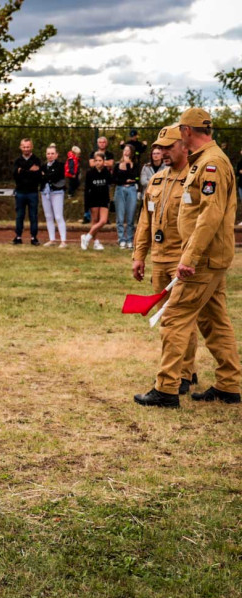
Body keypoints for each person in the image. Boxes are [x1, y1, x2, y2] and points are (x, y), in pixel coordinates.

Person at [134, 108, 241, 407]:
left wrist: (189, 257)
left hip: (203, 259)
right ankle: (229, 384)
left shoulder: (211, 164)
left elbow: (211, 215)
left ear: (187, 132)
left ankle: (167, 387)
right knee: (214, 320)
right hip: (207, 257)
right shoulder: (204, 161)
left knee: (174, 316)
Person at [131, 125, 199, 396]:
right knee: (168, 317)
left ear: (184, 146)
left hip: (182, 259)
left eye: (168, 147)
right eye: (159, 148)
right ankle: (181, 369)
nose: (162, 152)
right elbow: (144, 222)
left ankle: (183, 372)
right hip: (159, 259)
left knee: (179, 317)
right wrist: (139, 255)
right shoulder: (156, 180)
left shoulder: (194, 179)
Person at [12, 138, 42, 245]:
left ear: (31, 147)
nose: (26, 149)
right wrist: (30, 171)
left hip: (33, 192)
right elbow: (15, 175)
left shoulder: (37, 160)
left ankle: (34, 238)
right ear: (20, 147)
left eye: (28, 146)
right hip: (20, 192)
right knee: (20, 215)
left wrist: (22, 171)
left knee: (33, 215)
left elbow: (37, 176)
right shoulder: (17, 161)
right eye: (24, 147)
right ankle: (18, 237)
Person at [81, 151, 111, 251]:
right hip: (93, 200)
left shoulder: (106, 172)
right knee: (94, 221)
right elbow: (86, 189)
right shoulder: (90, 173)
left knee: (103, 221)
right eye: (96, 160)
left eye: (100, 160)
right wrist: (86, 205)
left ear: (104, 161)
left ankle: (87, 237)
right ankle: (95, 242)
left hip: (104, 200)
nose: (98, 162)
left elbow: (111, 181)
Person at [40, 143, 68, 247]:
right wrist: (46, 176)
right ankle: (52, 239)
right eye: (48, 153)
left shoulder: (60, 165)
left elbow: (56, 177)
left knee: (58, 216)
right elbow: (40, 178)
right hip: (45, 192)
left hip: (57, 192)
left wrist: (45, 176)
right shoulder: (43, 166)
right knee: (48, 216)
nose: (50, 155)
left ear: (56, 155)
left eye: (52, 153)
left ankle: (63, 240)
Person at [113, 144, 139, 249]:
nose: (126, 152)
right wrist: (125, 181)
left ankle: (129, 239)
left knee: (130, 216)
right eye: (125, 150)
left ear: (131, 153)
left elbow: (134, 178)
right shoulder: (117, 165)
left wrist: (128, 165)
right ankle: (121, 239)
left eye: (128, 150)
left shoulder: (135, 165)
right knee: (120, 216)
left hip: (132, 189)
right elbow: (114, 179)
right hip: (119, 190)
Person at [83, 137, 115, 223]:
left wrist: (101, 163)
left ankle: (105, 217)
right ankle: (92, 235)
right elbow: (91, 164)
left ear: (106, 143)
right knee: (95, 219)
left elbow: (111, 164)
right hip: (94, 191)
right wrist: (105, 163)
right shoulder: (92, 153)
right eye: (100, 142)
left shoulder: (110, 154)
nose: (102, 144)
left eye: (103, 142)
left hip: (105, 180)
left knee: (107, 195)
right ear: (97, 143)